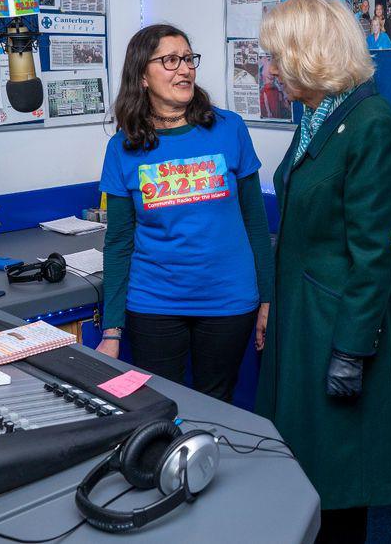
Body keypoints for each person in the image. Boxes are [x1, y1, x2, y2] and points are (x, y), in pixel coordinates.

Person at [255, 0, 391, 544]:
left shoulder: (370, 121)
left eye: (278, 57)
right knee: (306, 469)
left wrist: (350, 350)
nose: (272, 70)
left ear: (309, 52)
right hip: (302, 318)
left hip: (338, 326)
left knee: (340, 478)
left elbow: (372, 253)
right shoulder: (317, 115)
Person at [96, 25, 273, 405]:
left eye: (189, 59)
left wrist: (267, 300)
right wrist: (112, 332)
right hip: (154, 303)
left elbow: (255, 222)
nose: (185, 70)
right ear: (142, 75)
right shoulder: (123, 147)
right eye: (171, 60)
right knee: (160, 406)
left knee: (217, 404)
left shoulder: (229, 129)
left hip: (229, 301)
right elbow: (118, 242)